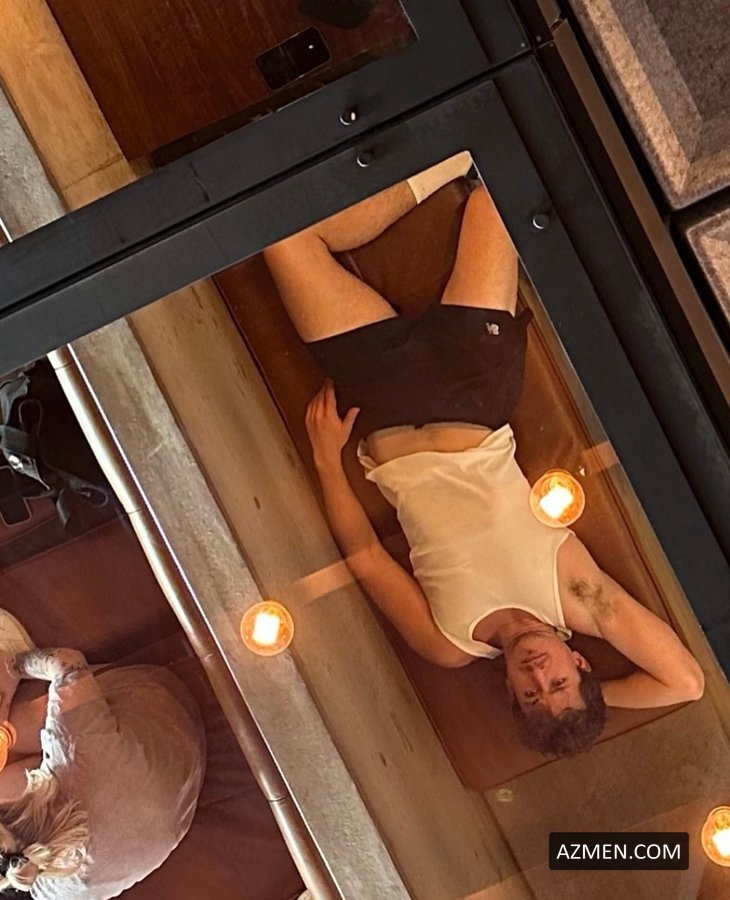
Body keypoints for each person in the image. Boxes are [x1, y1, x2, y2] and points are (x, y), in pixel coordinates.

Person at [264, 153, 705, 758]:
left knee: (286, 241)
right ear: (578, 663)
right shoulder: (580, 596)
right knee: (498, 185)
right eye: (558, 684)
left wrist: (325, 459)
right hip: (473, 387)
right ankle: (455, 155)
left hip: (381, 403)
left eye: (530, 695)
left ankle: (438, 163)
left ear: (509, 692)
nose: (538, 675)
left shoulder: (448, 644)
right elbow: (686, 683)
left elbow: (365, 557)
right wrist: (599, 698)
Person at [0, 610, 206, 897]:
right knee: (16, 724)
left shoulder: (51, 892)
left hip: (171, 794)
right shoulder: (75, 760)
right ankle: (6, 660)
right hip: (160, 706)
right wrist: (15, 667)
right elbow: (66, 663)